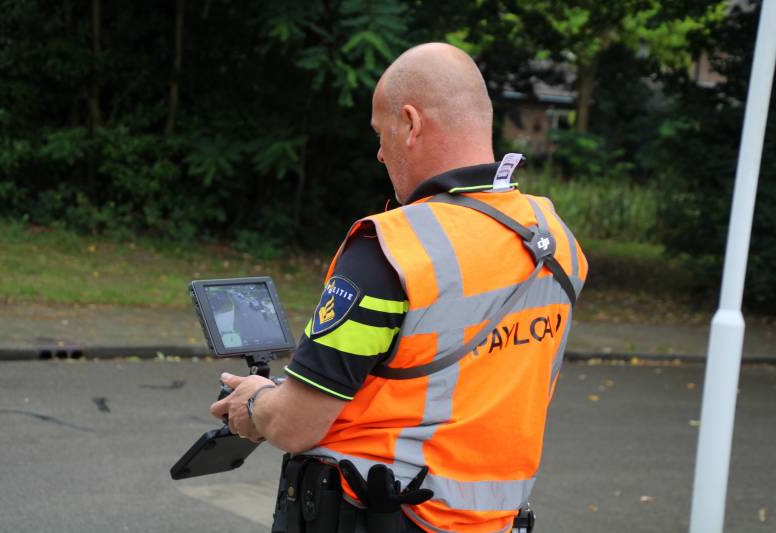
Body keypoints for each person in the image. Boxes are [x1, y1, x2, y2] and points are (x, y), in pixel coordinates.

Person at [210, 42, 588, 533]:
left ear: (410, 123)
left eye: (380, 132)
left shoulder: (391, 249)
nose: (380, 152)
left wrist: (256, 402)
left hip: (381, 516)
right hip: (494, 521)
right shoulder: (554, 239)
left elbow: (297, 424)